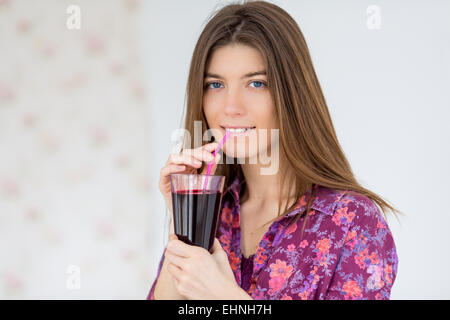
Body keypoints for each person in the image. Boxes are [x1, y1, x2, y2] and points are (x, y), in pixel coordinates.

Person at [147, 0, 400, 300]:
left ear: (292, 94)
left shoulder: (353, 222)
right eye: (215, 85)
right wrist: (184, 217)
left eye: (256, 83)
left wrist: (224, 297)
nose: (231, 107)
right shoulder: (217, 212)